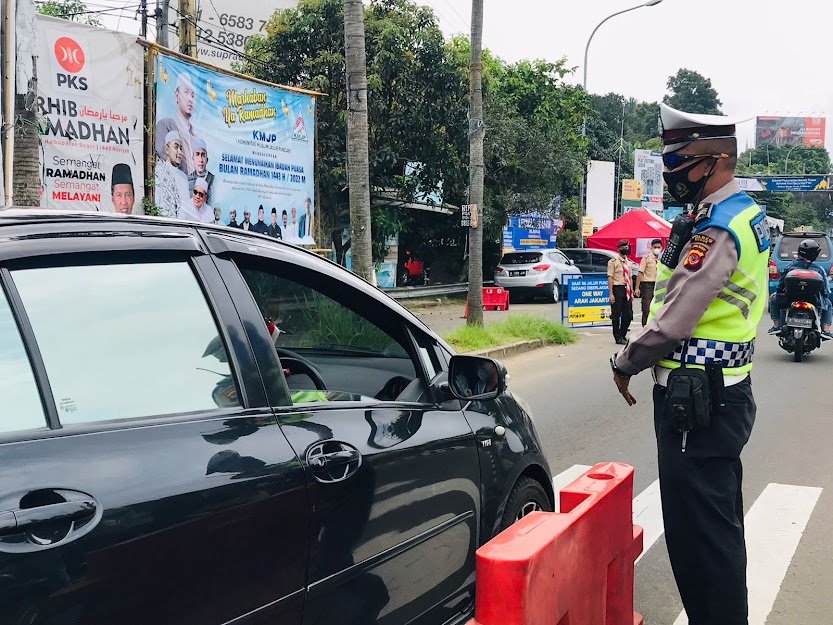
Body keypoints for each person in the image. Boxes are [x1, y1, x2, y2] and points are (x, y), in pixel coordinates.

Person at [610, 103, 769, 625]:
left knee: (699, 542)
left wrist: (626, 360)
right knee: (715, 533)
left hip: (699, 400)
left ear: (716, 160)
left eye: (682, 164)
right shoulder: (736, 213)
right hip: (718, 392)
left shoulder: (721, 227)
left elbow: (675, 319)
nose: (674, 175)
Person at [768, 239, 832, 338]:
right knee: (828, 303)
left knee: (773, 298)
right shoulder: (819, 269)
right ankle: (826, 330)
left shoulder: (789, 267)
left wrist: (779, 293)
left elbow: (781, 285)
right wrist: (825, 297)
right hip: (813, 300)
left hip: (789, 299)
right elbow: (825, 291)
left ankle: (777, 326)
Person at [155, 73, 198, 175]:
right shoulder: (165, 125)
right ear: (177, 95)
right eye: (186, 92)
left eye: (193, 95)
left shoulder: (195, 137)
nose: (190, 99)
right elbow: (164, 157)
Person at [154, 130, 190, 218]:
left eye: (181, 148)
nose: (180, 152)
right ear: (167, 149)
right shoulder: (159, 171)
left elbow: (186, 208)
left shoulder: (183, 177)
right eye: (176, 147)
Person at [608, 239, 634, 344]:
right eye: (624, 247)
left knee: (628, 314)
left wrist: (631, 291)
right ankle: (617, 337)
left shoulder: (628, 262)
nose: (626, 249)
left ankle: (623, 335)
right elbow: (610, 277)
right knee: (616, 314)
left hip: (626, 289)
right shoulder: (613, 262)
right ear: (619, 249)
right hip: (617, 288)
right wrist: (611, 293)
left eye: (627, 247)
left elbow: (630, 277)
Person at [635, 238, 663, 326]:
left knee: (658, 308)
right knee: (646, 308)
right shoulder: (646, 258)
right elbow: (640, 272)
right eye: (655, 247)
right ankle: (645, 328)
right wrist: (637, 288)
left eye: (659, 247)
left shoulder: (662, 259)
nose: (657, 249)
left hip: (659, 285)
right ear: (651, 247)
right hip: (648, 285)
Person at [187, 139, 215, 205]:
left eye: (203, 155)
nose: (201, 160)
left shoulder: (213, 180)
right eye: (197, 154)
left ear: (207, 160)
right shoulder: (187, 179)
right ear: (193, 159)